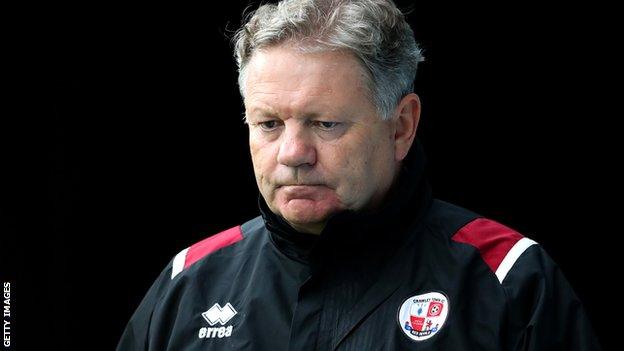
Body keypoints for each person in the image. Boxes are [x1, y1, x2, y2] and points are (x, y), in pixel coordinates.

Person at [116, 0, 601, 350]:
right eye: (268, 124)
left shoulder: (508, 278)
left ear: (401, 126)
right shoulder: (190, 283)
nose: (293, 153)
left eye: (325, 124)